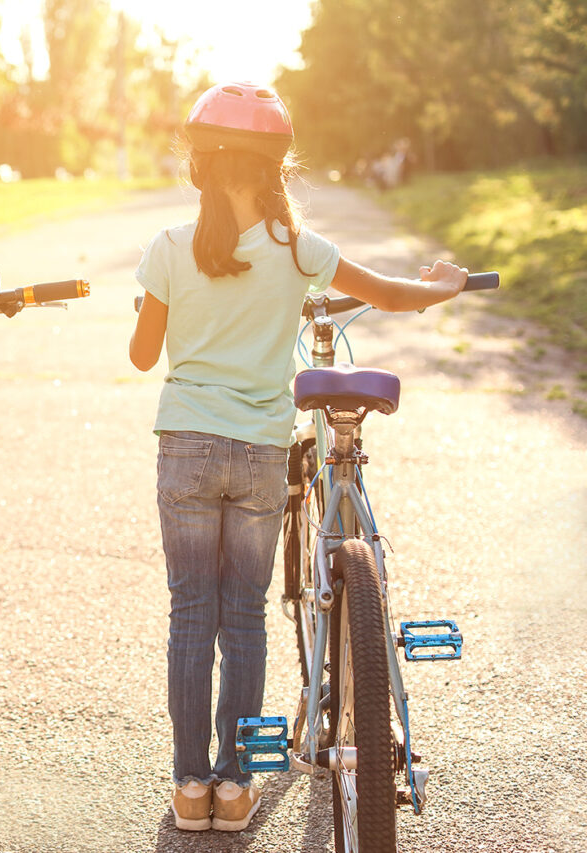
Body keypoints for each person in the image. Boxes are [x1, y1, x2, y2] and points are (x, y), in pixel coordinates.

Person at [128, 82, 466, 833]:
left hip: (185, 444)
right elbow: (390, 294)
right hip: (257, 451)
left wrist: (159, 308)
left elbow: (143, 352)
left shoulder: (171, 248)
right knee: (244, 616)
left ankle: (190, 788)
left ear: (200, 166)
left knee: (192, 614)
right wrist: (439, 286)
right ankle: (236, 783)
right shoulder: (297, 249)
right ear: (273, 168)